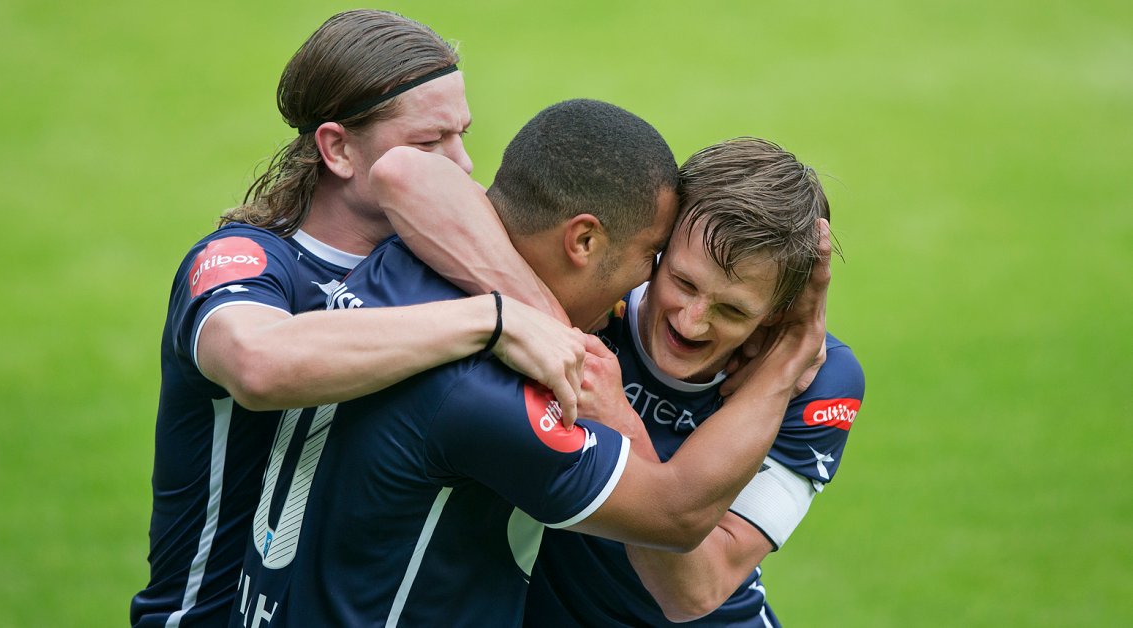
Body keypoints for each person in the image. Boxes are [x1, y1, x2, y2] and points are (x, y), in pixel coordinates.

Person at [229, 100, 830, 627]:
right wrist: (551, 333)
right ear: (585, 241)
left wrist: (538, 322)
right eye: (656, 261)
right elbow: (674, 516)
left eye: (732, 310)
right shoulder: (502, 390)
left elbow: (405, 171)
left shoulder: (406, 255)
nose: (681, 314)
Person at [131, 10, 588, 627]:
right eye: (427, 143)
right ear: (338, 149)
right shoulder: (244, 262)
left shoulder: (441, 257)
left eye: (461, 135)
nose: (461, 165)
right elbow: (258, 364)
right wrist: (492, 318)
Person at [523, 138, 865, 626]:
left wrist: (620, 421)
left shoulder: (821, 384)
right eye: (683, 283)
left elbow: (694, 592)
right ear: (659, 247)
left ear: (776, 313)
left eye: (732, 310)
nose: (692, 322)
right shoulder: (588, 300)